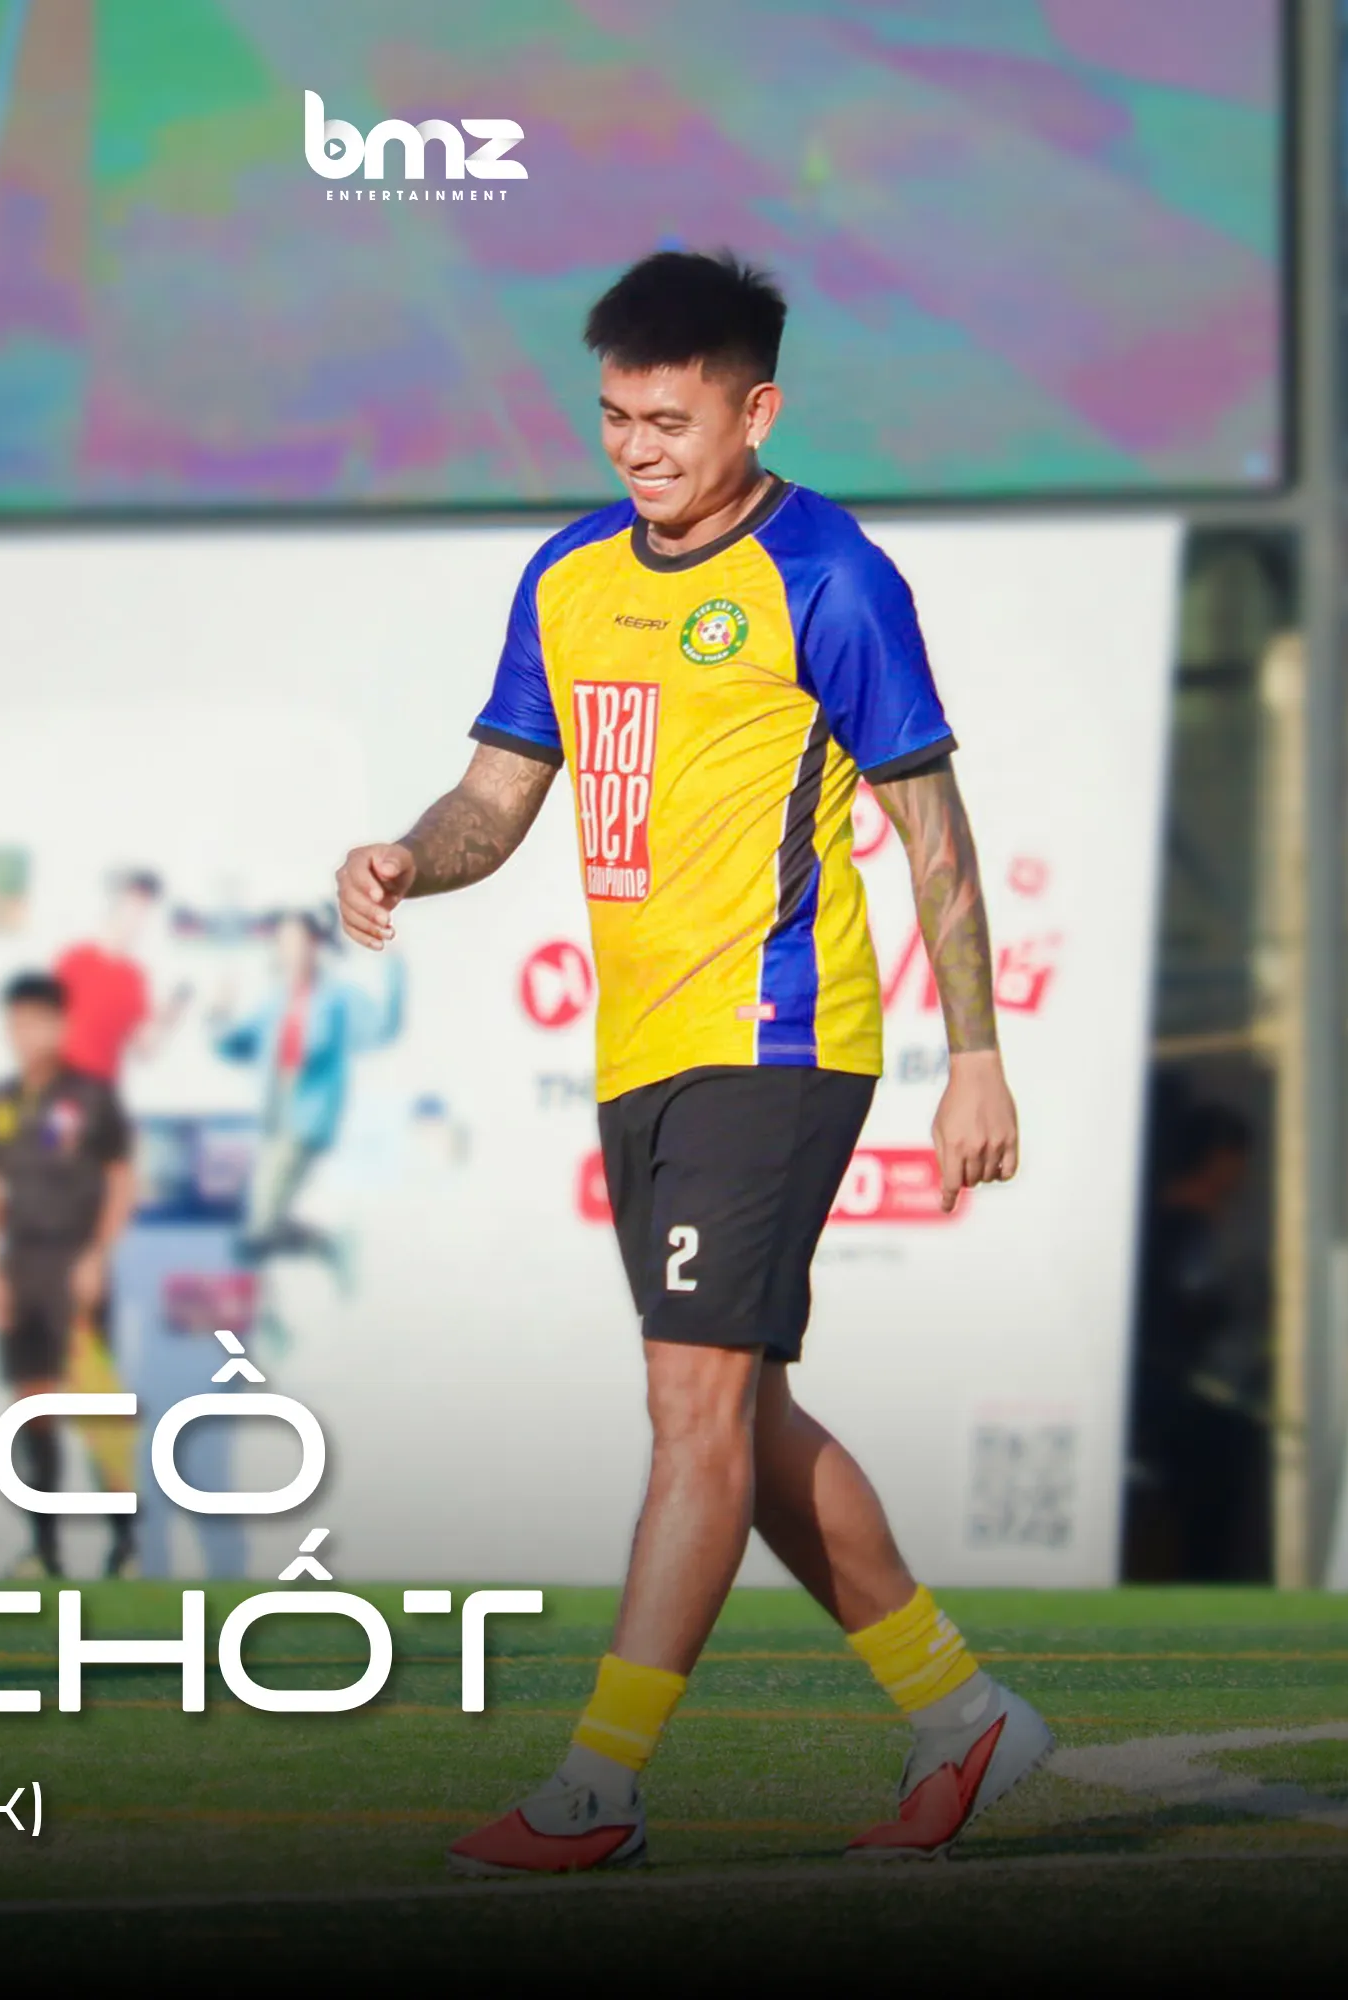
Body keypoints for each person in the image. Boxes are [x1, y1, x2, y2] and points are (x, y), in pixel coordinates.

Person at [334, 250, 1044, 1873]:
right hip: (639, 1051)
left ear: (755, 410)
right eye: (615, 418)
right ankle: (963, 1716)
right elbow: (494, 799)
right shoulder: (570, 575)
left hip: (779, 1040)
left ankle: (598, 1785)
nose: (637, 449)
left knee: (691, 1407)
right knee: (741, 1417)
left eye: (669, 420)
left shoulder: (831, 574)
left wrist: (978, 1055)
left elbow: (932, 827)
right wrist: (409, 858)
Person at [0, 973, 137, 1579]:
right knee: (32, 1408)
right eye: (16, 1023)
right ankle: (44, 1552)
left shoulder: (92, 1098)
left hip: (76, 1262)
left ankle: (125, 1548)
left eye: (38, 1021)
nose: (26, 1034)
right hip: (22, 1264)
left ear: (62, 1026)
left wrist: (99, 1254)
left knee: (98, 1411)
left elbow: (121, 1181)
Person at [213, 908, 403, 1292]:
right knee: (258, 1230)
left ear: (315, 945)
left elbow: (383, 1028)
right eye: (283, 943)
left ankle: (324, 1248)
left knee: (259, 1226)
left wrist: (395, 967)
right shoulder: (275, 1002)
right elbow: (231, 1047)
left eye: (298, 941)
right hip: (275, 1115)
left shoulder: (337, 998)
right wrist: (219, 1013)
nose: (291, 951)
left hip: (309, 1118)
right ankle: (326, 1247)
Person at [1128, 1086, 1267, 1580]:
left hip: (1200, 1400)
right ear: (1218, 1158)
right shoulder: (1179, 1228)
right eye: (1237, 1157)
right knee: (1196, 1524)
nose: (1242, 1171)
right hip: (1186, 1404)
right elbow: (1186, 1314)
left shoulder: (1193, 1224)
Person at [55, 870, 189, 1086]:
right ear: (115, 905)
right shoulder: (74, 959)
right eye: (133, 906)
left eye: (145, 911)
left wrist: (169, 1018)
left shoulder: (135, 978)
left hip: (103, 1087)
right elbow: (44, 1023)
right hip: (64, 1079)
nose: (138, 918)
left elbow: (145, 1050)